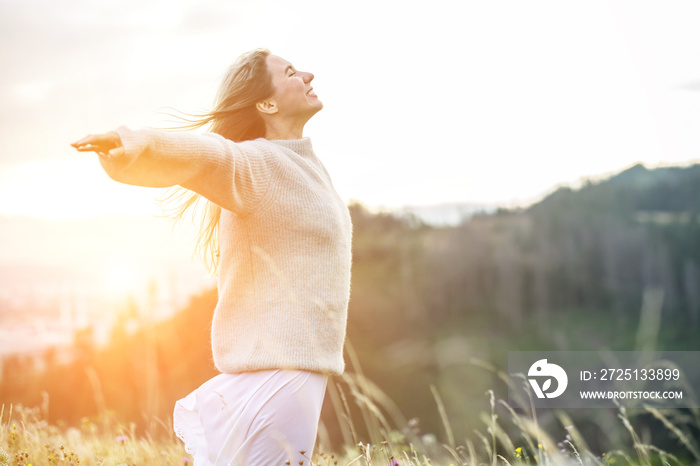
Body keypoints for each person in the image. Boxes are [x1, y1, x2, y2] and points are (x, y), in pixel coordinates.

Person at [72, 49, 352, 465]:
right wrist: (134, 142)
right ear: (267, 104)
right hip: (278, 379)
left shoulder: (308, 167)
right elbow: (207, 153)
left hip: (299, 376)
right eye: (291, 72)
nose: (308, 74)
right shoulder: (257, 163)